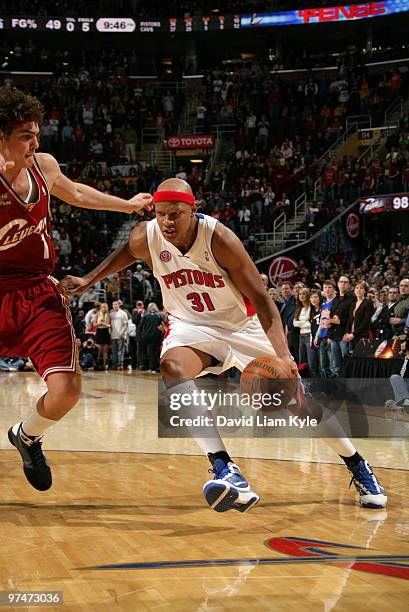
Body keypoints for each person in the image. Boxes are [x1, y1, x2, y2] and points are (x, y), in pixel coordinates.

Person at [62, 178, 387, 511]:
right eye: (161, 214)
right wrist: (89, 279)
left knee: (300, 406)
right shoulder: (146, 236)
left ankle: (357, 464)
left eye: (176, 214)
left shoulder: (219, 239)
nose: (168, 222)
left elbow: (262, 301)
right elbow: (125, 254)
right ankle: (224, 468)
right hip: (191, 325)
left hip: (243, 326)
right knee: (172, 369)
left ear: (194, 209)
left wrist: (284, 356)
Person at [0, 86, 152, 491]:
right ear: (1, 136)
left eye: (36, 133)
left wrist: (127, 204)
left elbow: (78, 193)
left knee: (66, 390)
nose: (36, 142)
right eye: (25, 136)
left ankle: (27, 436)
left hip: (37, 291)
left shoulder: (43, 166)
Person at [343, 281, 374, 352]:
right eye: (357, 288)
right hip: (351, 336)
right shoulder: (353, 303)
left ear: (365, 291)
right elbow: (350, 319)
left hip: (361, 336)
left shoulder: (368, 303)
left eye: (361, 288)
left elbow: (366, 322)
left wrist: (353, 334)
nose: (358, 290)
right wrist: (347, 332)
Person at [110, 300, 128, 370]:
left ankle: (120, 364)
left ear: (119, 305)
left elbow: (125, 325)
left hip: (121, 335)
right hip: (113, 335)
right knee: (114, 351)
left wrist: (122, 333)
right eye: (113, 304)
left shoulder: (123, 313)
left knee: (121, 350)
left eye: (116, 304)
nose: (115, 305)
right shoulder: (111, 314)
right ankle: (114, 365)